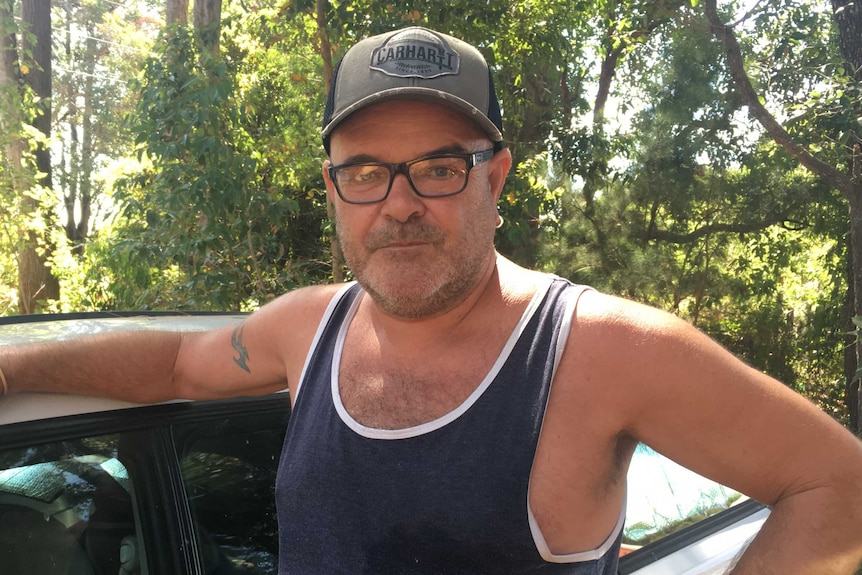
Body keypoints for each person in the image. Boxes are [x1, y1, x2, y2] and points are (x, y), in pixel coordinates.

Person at [2, 26, 862, 575]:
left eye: (439, 167)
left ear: (496, 178)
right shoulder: (308, 328)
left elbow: (838, 482)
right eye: (367, 173)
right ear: (334, 189)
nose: (400, 204)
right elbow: (174, 361)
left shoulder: (598, 349)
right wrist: (10, 368)